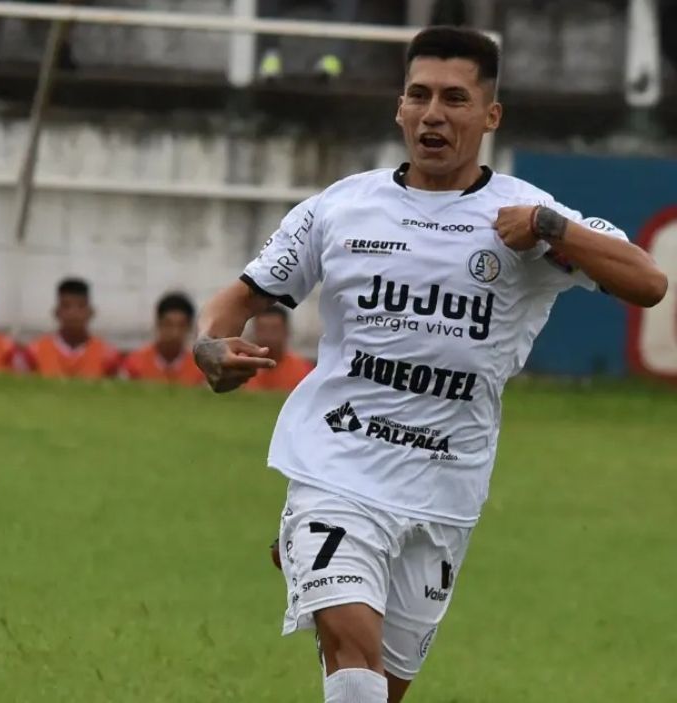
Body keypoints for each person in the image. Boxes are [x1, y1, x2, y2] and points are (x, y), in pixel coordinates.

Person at [192, 26, 666, 703]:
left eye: (454, 98)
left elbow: (649, 282)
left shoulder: (527, 217)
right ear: (399, 107)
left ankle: (309, 555)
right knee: (352, 653)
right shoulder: (341, 207)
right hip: (335, 466)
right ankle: (314, 538)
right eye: (419, 95)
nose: (432, 114)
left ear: (490, 115)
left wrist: (551, 229)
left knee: (380, 688)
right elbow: (236, 300)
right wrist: (210, 345)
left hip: (445, 488)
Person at [19, 277, 120, 379]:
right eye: (66, 306)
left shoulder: (108, 355)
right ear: (56, 312)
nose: (73, 313)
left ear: (91, 312)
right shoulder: (35, 352)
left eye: (81, 306)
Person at [119, 292, 203, 386]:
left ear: (189, 328)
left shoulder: (199, 369)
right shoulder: (135, 364)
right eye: (168, 325)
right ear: (158, 324)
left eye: (181, 326)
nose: (175, 333)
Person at [245, 305, 313, 391]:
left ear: (286, 331)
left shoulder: (303, 369)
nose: (268, 335)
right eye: (262, 329)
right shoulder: (242, 368)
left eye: (274, 329)